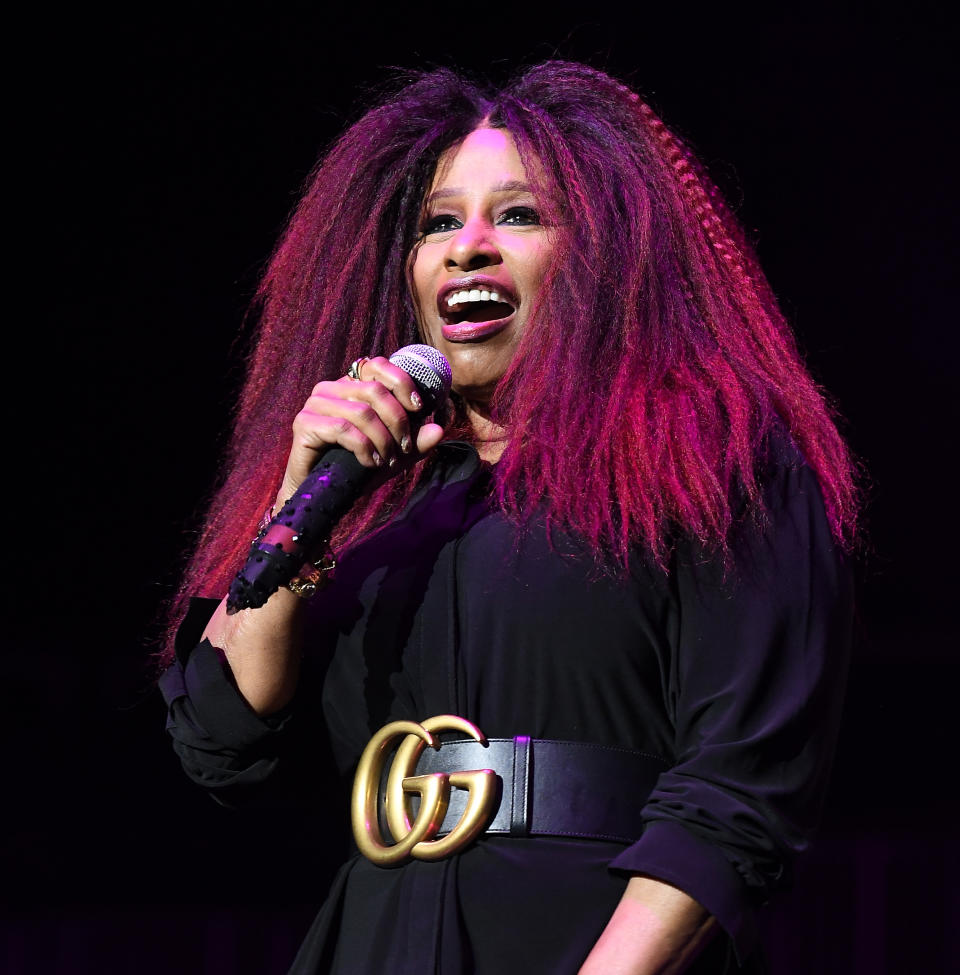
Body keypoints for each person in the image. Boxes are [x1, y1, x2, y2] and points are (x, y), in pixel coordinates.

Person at [158, 61, 859, 974]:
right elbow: (222, 738)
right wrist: (302, 503)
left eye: (519, 215)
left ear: (609, 254)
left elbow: (734, 797)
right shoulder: (383, 508)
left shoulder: (711, 457)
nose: (466, 247)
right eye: (440, 223)